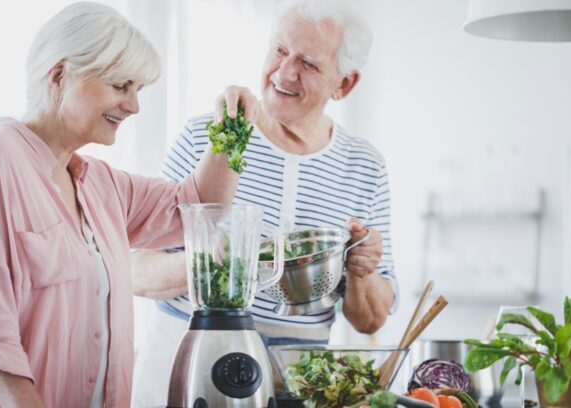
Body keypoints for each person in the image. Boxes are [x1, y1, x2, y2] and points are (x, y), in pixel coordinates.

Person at [0, 2, 239, 407]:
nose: (134, 106)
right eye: (121, 86)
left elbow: (199, 204)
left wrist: (233, 127)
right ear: (59, 75)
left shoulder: (101, 185)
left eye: (137, 90)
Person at [130, 0, 399, 405]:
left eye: (308, 63)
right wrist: (214, 262)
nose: (284, 72)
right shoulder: (213, 134)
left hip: (297, 383)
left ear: (343, 84)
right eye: (279, 50)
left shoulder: (365, 167)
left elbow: (372, 319)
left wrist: (362, 273)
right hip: (184, 368)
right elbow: (136, 270)